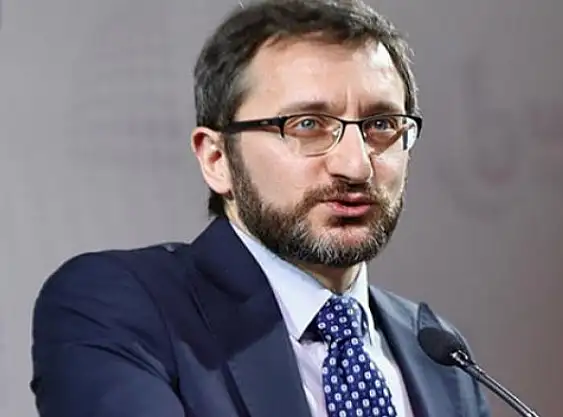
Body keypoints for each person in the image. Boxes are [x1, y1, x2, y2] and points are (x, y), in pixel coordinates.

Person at [30, 1, 491, 416]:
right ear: (217, 159)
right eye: (307, 124)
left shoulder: (438, 355)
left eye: (382, 125)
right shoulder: (122, 309)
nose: (356, 165)